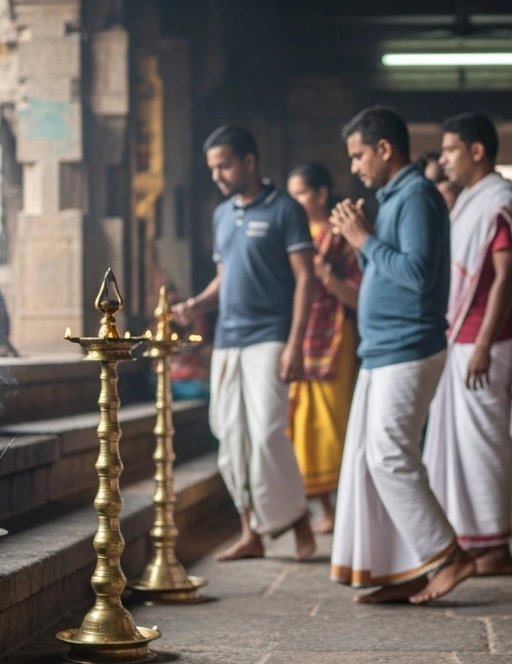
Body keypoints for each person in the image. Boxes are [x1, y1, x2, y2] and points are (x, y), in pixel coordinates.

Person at [328, 106, 477, 604]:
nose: (355, 167)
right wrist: (367, 234)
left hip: (408, 346)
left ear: (384, 149)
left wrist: (362, 239)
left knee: (390, 454)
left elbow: (417, 273)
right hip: (383, 350)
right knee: (373, 459)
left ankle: (450, 557)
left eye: (358, 155)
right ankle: (407, 567)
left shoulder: (416, 196)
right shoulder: (393, 198)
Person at [171, 125, 317, 562]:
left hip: (270, 337)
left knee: (269, 433)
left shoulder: (286, 210)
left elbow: (306, 277)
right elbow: (225, 277)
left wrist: (296, 344)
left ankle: (299, 522)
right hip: (229, 339)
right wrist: (196, 304)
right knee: (229, 435)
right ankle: (249, 531)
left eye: (225, 164)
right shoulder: (221, 215)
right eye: (212, 167)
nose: (217, 174)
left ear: (250, 162)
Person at [424, 113, 512, 577]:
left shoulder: (498, 200)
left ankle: (494, 547)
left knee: (482, 447)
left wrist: (479, 345)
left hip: (485, 342)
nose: (444, 160)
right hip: (461, 339)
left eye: (450, 150)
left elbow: (505, 277)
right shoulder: (471, 201)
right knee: (460, 447)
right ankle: (473, 543)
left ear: (477, 151)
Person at [286, 162, 362, 535]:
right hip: (299, 336)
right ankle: (323, 507)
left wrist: (324, 273)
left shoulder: (340, 236)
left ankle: (343, 508)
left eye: (301, 192)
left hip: (333, 335)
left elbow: (361, 295)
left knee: (333, 424)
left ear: (320, 194)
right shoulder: (291, 233)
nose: (296, 201)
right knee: (301, 425)